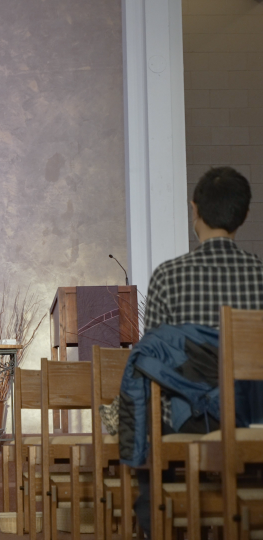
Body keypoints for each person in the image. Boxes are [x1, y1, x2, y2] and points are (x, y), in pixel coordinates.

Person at [130, 166, 263, 538]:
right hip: (253, 419)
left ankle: (157, 518)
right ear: (244, 215)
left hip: (191, 418)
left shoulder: (168, 276)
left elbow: (151, 364)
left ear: (194, 210)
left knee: (143, 417)